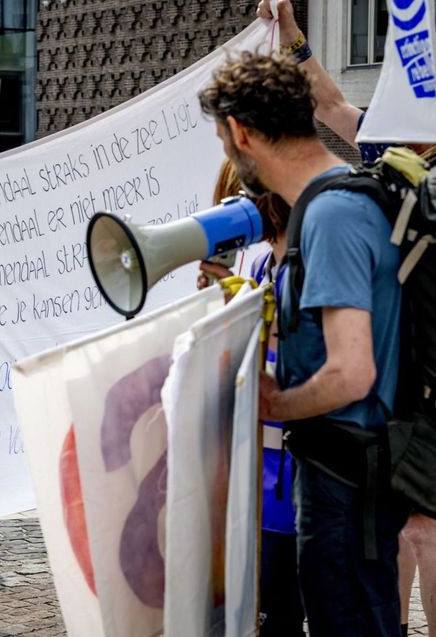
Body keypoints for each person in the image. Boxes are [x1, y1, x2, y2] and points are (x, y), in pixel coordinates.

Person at [200, 52, 408, 637]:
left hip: (346, 480)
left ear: (241, 133)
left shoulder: (332, 216)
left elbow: (351, 372)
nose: (227, 154)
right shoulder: (330, 201)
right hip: (344, 477)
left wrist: (274, 403)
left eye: (223, 138)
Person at [257, 5, 436, 633]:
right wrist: (291, 34)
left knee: (423, 528)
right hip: (391, 370)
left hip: (421, 366)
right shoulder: (388, 147)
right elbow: (329, 104)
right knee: (397, 523)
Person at [199, 161, 302, 635]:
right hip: (262, 476)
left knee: (283, 612)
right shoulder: (264, 265)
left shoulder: (305, 263)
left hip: (295, 481)